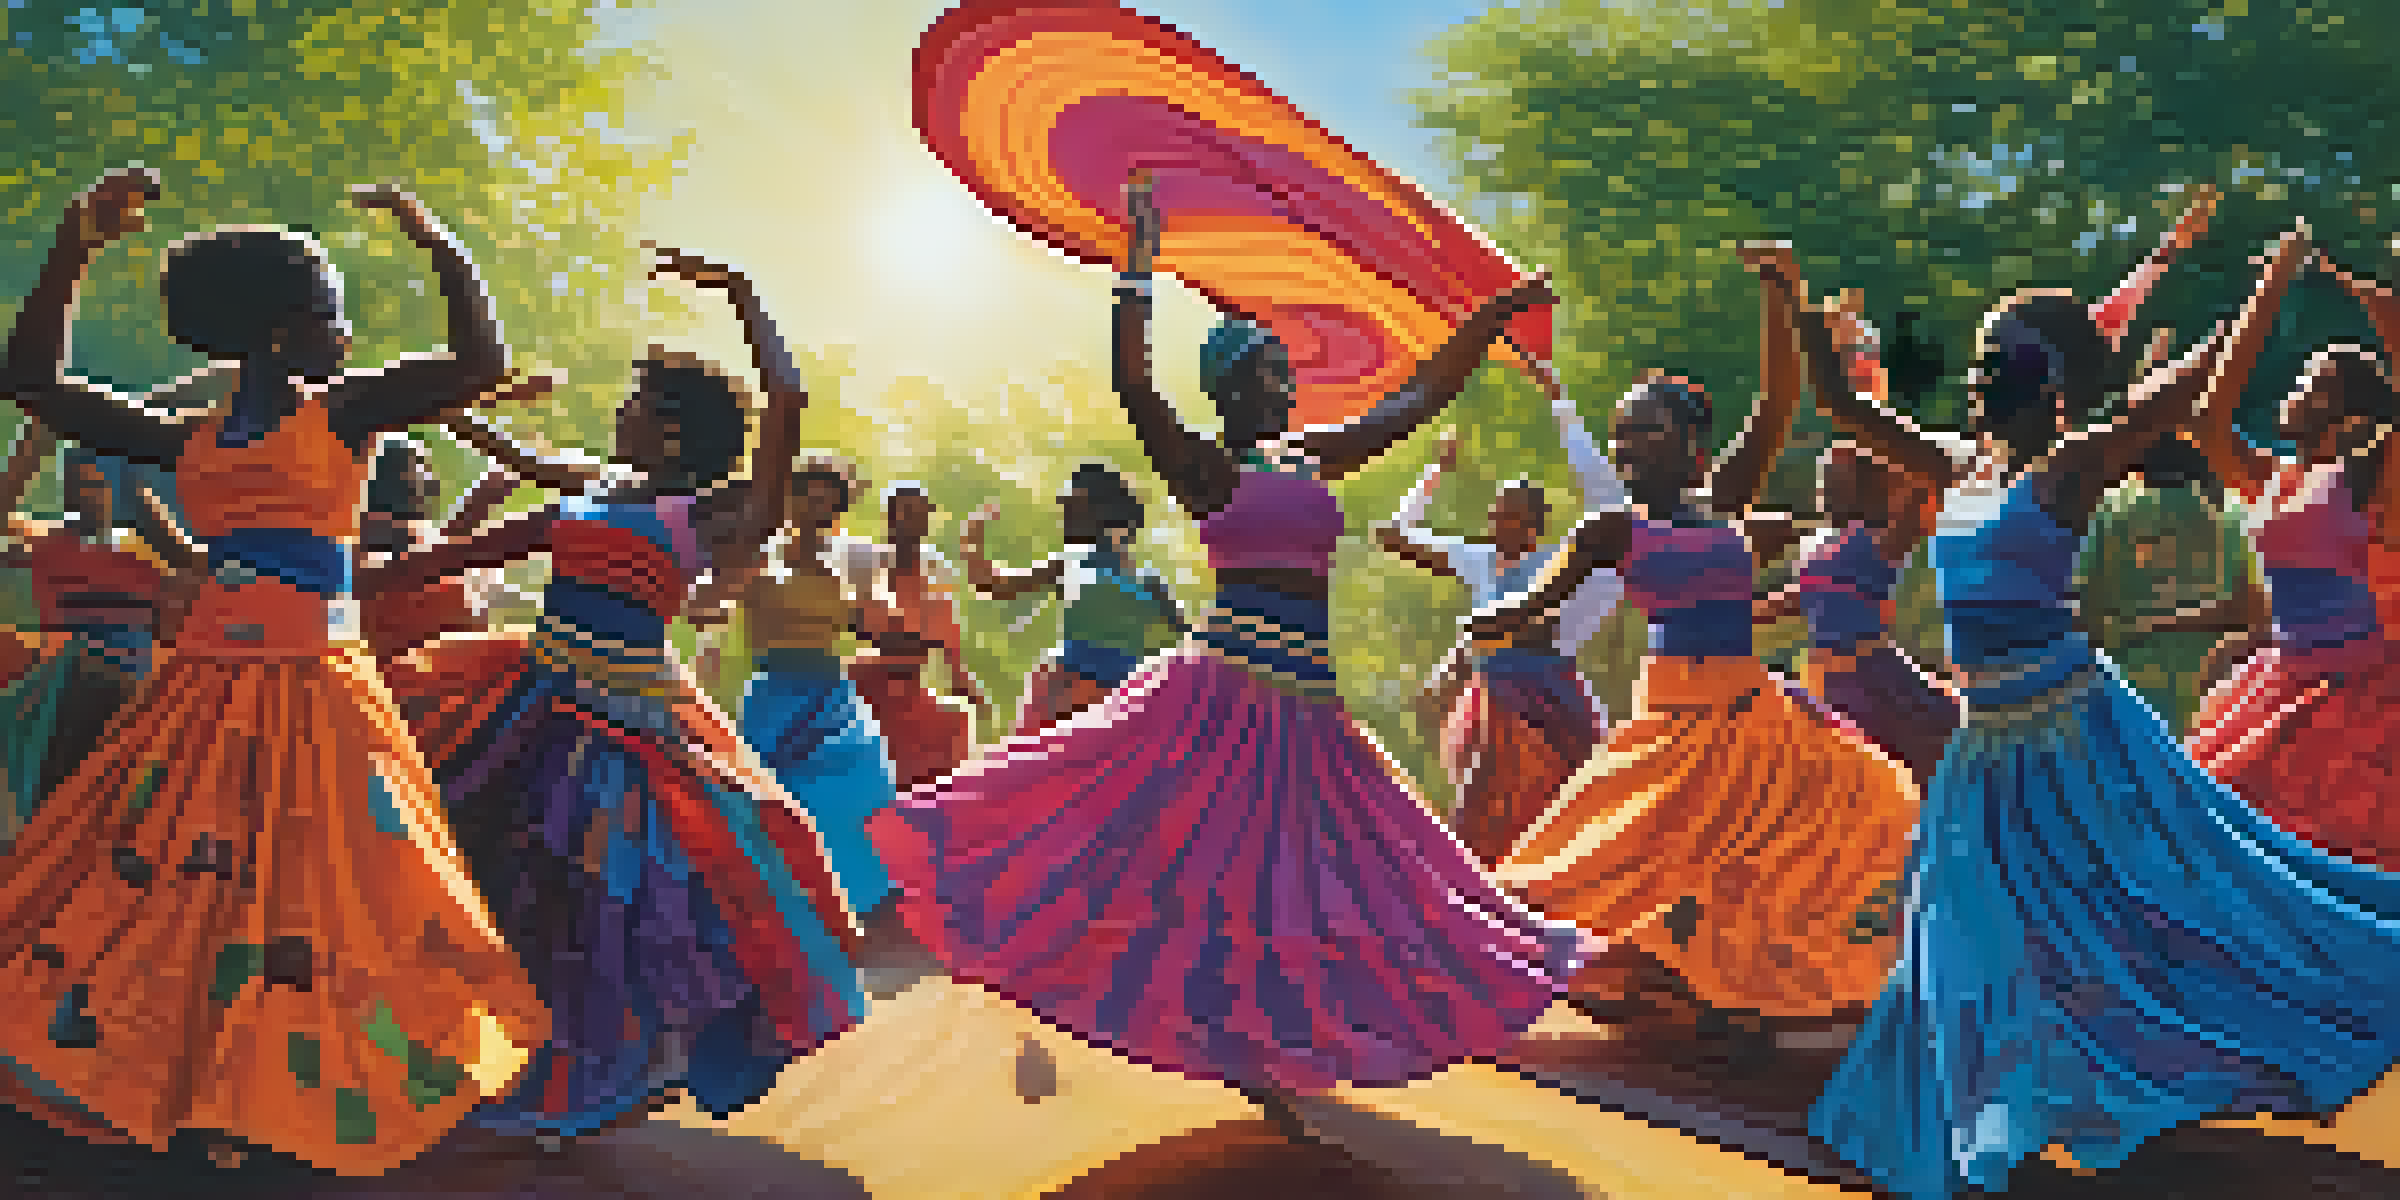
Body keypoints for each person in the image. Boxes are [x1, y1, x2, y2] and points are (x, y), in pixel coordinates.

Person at [869, 170, 1585, 1142]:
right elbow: (1133, 383)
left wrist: (1486, 321)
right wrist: (1138, 264)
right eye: (1264, 372)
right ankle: (1201, 1030)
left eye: (1286, 372)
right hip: (1223, 693)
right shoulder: (1207, 466)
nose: (1284, 385)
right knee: (1176, 854)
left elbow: (1418, 397)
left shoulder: (1313, 455)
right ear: (1229, 388)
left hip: (1311, 706)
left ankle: (1279, 1044)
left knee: (1357, 870)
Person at [1799, 202, 2400, 1199]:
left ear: (2051, 383)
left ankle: (2149, 1078)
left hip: (2074, 737)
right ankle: (1990, 1112)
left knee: (2163, 913)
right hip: (1984, 746)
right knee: (1954, 925)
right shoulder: (1954, 467)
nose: (1980, 373)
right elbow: (1842, 407)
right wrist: (1792, 304)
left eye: (2000, 358)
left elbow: (2191, 388)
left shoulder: (2071, 468)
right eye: (1980, 356)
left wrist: (2262, 288)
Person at [0, 167, 548, 1174]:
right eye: (335, 314)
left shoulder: (320, 417)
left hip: (287, 685)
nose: (348, 334)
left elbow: (480, 364)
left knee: (277, 889)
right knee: (226, 889)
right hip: (232, 689)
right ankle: (209, 1092)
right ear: (287, 331)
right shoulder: (235, 429)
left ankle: (246, 1096)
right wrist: (71, 248)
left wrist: (441, 244)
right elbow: (31, 384)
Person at [366, 248, 863, 1142]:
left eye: (636, 405)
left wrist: (743, 295)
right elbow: (457, 554)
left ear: (671, 432)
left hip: (624, 725)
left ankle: (577, 1072)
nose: (620, 413)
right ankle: (468, 1046)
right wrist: (321, 581)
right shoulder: (592, 492)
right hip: (527, 698)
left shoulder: (711, 516)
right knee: (486, 866)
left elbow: (785, 404)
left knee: (593, 904)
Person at [1465, 252, 1919, 1066]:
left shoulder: (1725, 501)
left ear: (1692, 445)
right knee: (1584, 862)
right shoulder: (1611, 529)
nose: (1628, 445)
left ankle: (1751, 995)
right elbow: (1531, 603)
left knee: (1869, 800)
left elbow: (1778, 402)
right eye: (1622, 433)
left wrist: (1779, 293)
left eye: (1648, 430)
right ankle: (1479, 957)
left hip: (1755, 717)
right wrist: (1491, 620)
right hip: (1673, 728)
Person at [2182, 226, 2400, 868]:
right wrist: (2272, 283)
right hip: (2281, 686)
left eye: (2315, 383)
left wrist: (2381, 307)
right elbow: (2208, 417)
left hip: (2363, 693)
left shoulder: (2374, 477)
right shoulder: (2275, 477)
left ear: (2351, 414)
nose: (2294, 391)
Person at [1373, 374, 1624, 867]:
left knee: (1568, 798)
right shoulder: (1479, 558)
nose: (1498, 525)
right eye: (1496, 515)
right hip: (1490, 696)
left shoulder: (1562, 562)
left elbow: (1613, 508)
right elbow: (1393, 534)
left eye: (1511, 517)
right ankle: (1468, 878)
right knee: (1478, 801)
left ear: (1536, 527)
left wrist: (1564, 412)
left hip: (1548, 696)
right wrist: (1435, 473)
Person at [1751, 263, 1960, 785]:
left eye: (1838, 474)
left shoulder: (1883, 539)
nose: (1825, 481)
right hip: (1824, 679)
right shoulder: (1814, 543)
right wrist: (1730, 614)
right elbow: (1794, 600)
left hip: (1874, 680)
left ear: (1868, 485)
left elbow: (1917, 476)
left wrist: (1868, 390)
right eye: (1824, 473)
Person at [691, 454, 904, 928]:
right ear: (788, 502)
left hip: (833, 693)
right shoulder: (757, 557)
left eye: (829, 502)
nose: (818, 509)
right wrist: (728, 575)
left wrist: (879, 613)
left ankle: (857, 907)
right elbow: (701, 608)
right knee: (773, 798)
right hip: (776, 695)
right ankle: (774, 907)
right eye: (808, 497)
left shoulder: (849, 562)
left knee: (867, 784)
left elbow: (877, 625)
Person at [957, 463, 1183, 739]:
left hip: (1116, 704)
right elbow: (994, 584)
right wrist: (970, 542)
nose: (1063, 515)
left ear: (1105, 512)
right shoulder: (1072, 564)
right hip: (1066, 699)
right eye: (1065, 506)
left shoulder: (1148, 583)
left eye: (1073, 507)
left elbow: (1187, 650)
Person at [2074, 430, 2256, 734]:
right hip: (2209, 700)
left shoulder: (2109, 510)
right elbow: (2253, 616)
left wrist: (2136, 628)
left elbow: (2086, 616)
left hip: (2127, 696)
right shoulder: (2229, 512)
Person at [845, 485, 989, 788]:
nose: (909, 523)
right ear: (888, 519)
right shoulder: (866, 566)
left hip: (911, 687)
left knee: (955, 723)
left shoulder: (935, 579)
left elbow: (951, 657)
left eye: (917, 515)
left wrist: (967, 686)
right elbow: (849, 622)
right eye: (902, 513)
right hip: (868, 683)